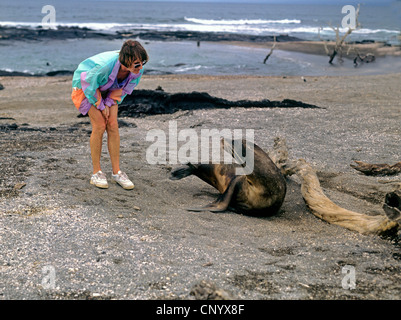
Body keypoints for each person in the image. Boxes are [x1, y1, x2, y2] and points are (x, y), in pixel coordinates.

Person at [71, 40, 148, 190]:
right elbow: (89, 85)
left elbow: (124, 90)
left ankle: (117, 172)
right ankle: (96, 173)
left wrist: (107, 104)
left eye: (142, 62)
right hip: (86, 86)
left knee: (112, 125)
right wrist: (100, 104)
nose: (141, 67)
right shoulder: (104, 67)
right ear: (126, 61)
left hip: (110, 89)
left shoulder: (137, 70)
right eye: (137, 64)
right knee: (100, 125)